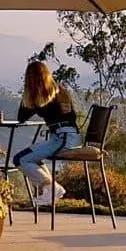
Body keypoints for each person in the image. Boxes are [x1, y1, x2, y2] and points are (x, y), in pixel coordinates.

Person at [12, 55, 81, 207]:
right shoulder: (57, 91)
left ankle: (51, 188)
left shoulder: (43, 96)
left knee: (20, 159)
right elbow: (22, 117)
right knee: (28, 158)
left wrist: (26, 94)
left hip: (63, 138)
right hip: (67, 136)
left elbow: (21, 117)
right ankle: (52, 189)